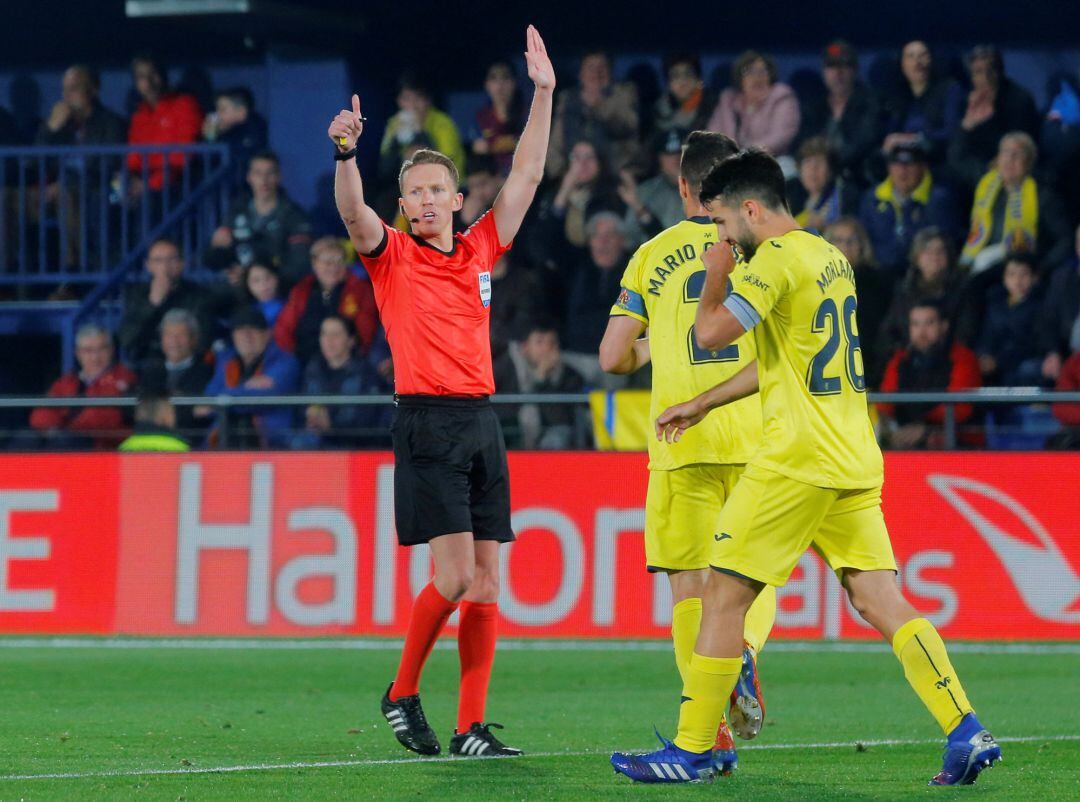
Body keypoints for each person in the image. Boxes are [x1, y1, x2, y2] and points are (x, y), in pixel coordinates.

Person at [612, 149, 1000, 785]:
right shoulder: (830, 257)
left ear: (752, 209)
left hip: (796, 458)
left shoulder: (771, 263)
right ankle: (965, 727)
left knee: (722, 596)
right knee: (878, 597)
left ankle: (692, 750)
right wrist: (703, 401)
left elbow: (709, 333)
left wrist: (715, 275)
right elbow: (780, 365)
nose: (720, 238)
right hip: (853, 453)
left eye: (722, 225)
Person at [328, 25, 554, 759]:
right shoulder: (389, 255)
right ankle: (399, 690)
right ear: (404, 206)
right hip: (426, 422)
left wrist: (545, 93)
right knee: (454, 575)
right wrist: (346, 154)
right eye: (412, 193)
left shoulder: (482, 245)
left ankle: (469, 729)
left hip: (481, 422)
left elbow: (523, 176)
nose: (423, 201)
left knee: (487, 584)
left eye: (434, 190)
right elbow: (352, 212)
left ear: (457, 199)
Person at [598, 131, 778, 773]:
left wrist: (659, 347)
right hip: (757, 438)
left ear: (682, 188)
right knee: (752, 577)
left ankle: (710, 736)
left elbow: (613, 356)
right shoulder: (761, 247)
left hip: (682, 442)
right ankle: (745, 650)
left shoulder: (650, 255)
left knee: (689, 589)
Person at [960, 132, 1071, 275]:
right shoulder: (986, 183)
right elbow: (958, 157)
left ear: (1029, 162)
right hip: (978, 259)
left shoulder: (1043, 196)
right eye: (1005, 153)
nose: (1009, 160)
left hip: (1019, 267)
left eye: (1017, 154)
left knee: (984, 260)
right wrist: (966, 128)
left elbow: (1065, 239)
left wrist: (1041, 268)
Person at [879, 300, 982, 448]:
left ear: (944, 326)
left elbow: (960, 409)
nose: (922, 332)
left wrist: (924, 429)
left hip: (959, 443)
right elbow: (885, 403)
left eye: (929, 323)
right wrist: (889, 430)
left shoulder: (963, 358)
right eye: (915, 324)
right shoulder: (899, 359)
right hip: (906, 439)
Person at [207, 151, 313, 287]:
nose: (264, 180)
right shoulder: (236, 211)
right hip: (239, 290)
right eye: (258, 173)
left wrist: (255, 277)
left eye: (270, 173)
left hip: (277, 290)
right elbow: (211, 260)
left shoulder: (294, 216)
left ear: (279, 177)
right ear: (249, 177)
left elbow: (299, 266)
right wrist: (217, 248)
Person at [200, 307, 299, 449]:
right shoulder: (226, 360)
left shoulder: (285, 361)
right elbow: (208, 399)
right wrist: (246, 387)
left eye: (253, 330)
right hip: (223, 442)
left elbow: (264, 398)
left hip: (270, 445)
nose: (246, 336)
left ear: (267, 334)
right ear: (233, 336)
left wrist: (224, 401)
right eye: (240, 330)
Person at [118, 238, 228, 363]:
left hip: (191, 364)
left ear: (182, 264)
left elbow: (201, 338)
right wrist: (153, 303)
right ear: (148, 266)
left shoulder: (200, 294)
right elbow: (127, 340)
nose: (165, 266)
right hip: (150, 363)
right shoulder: (137, 294)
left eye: (172, 259)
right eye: (158, 260)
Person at [859, 141, 960, 276]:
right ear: (889, 167)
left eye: (910, 164)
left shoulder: (938, 200)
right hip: (879, 274)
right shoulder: (872, 199)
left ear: (923, 167)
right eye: (897, 164)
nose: (903, 171)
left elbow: (945, 244)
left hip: (921, 276)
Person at [273, 236, 379, 364]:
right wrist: (294, 354)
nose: (333, 267)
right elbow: (284, 328)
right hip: (303, 359)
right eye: (327, 262)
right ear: (314, 264)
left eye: (339, 261)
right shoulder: (302, 289)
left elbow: (365, 331)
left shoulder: (361, 289)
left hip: (345, 361)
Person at [29, 324, 136, 450]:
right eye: (88, 350)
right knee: (24, 441)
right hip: (65, 439)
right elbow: (40, 415)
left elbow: (105, 420)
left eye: (102, 349)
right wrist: (55, 430)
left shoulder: (124, 378)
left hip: (103, 447)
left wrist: (68, 428)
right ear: (78, 353)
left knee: (66, 442)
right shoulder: (67, 381)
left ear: (111, 350)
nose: (95, 357)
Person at [948, 46, 1040, 191]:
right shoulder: (964, 102)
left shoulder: (1020, 99)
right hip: (979, 171)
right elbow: (957, 154)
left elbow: (1025, 144)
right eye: (978, 72)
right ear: (971, 77)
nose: (986, 77)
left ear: (1000, 71)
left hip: (1014, 166)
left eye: (991, 69)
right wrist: (967, 125)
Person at [878, 227, 973, 361]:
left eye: (940, 251)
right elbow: (890, 330)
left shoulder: (962, 289)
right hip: (909, 360)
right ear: (916, 257)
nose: (934, 256)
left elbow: (965, 331)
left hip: (949, 360)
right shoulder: (903, 290)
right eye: (927, 250)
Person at [295, 315, 390, 449]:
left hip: (355, 452)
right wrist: (309, 416)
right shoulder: (312, 369)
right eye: (324, 334)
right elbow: (299, 407)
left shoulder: (367, 374)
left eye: (336, 335)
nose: (328, 341)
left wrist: (332, 425)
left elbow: (369, 422)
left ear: (351, 340)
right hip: (314, 448)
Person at [795, 41, 881, 183]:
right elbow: (802, 143)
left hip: (855, 174)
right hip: (816, 176)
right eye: (831, 66)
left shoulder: (870, 102)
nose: (838, 73)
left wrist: (830, 163)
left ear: (855, 70)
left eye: (844, 65)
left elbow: (864, 142)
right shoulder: (815, 106)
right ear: (824, 72)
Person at [493, 318, 585, 449]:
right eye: (539, 342)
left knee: (558, 437)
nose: (546, 349)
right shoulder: (505, 367)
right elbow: (501, 410)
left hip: (547, 439)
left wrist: (542, 380)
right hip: (512, 433)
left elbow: (560, 421)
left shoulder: (570, 375)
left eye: (552, 343)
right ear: (525, 347)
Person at [823, 217, 894, 386]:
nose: (845, 246)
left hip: (866, 367)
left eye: (851, 240)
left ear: (862, 245)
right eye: (838, 240)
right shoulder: (813, 280)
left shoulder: (878, 283)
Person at [546, 49, 639, 177]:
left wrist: (599, 104)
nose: (596, 73)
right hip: (574, 174)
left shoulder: (623, 94)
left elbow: (628, 125)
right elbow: (556, 142)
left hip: (614, 174)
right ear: (581, 73)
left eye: (602, 67)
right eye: (591, 67)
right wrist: (561, 175)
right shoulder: (567, 99)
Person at [126, 54, 203, 195]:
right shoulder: (139, 115)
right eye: (141, 77)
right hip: (143, 184)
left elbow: (183, 156)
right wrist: (128, 179)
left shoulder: (184, 104)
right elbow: (133, 156)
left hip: (176, 184)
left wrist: (150, 184)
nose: (148, 82)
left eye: (153, 74)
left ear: (163, 75)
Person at [879, 41, 964, 165]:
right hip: (900, 163)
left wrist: (917, 139)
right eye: (911, 56)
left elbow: (952, 132)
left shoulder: (949, 89)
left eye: (923, 55)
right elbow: (888, 133)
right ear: (902, 64)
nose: (917, 63)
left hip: (937, 161)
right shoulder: (895, 96)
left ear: (932, 60)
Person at [708, 51, 800, 161]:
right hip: (731, 163)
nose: (757, 78)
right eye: (750, 72)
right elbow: (713, 137)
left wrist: (747, 154)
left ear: (770, 76)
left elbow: (780, 137)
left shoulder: (782, 97)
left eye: (762, 71)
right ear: (740, 79)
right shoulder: (729, 100)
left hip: (773, 161)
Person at [561, 212, 631, 355]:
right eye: (596, 235)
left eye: (610, 235)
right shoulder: (577, 267)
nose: (602, 242)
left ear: (622, 240)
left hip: (617, 357)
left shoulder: (635, 271)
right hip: (575, 354)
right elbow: (543, 246)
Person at [137, 308, 215, 434]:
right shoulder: (151, 372)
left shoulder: (207, 372)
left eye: (181, 335)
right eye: (169, 335)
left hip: (192, 445)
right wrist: (189, 411)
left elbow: (205, 413)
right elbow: (139, 411)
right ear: (162, 339)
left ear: (194, 338)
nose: (174, 341)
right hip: (152, 443)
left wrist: (161, 408)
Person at [379, 73, 466, 184]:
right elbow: (384, 169)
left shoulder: (443, 122)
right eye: (407, 99)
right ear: (399, 101)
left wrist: (420, 132)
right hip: (410, 186)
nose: (413, 105)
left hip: (447, 184)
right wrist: (396, 140)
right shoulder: (395, 123)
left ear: (428, 100)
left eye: (418, 98)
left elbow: (444, 164)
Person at [975, 252, 1044, 386]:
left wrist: (998, 361)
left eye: (1024, 274)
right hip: (992, 363)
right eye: (1011, 274)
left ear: (1035, 277)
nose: (1017, 281)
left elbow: (1033, 343)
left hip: (1019, 363)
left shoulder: (1041, 305)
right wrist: (984, 355)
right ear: (1004, 278)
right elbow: (986, 335)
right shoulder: (995, 303)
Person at [618, 128, 687, 237]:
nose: (676, 159)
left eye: (680, 153)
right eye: (669, 155)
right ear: (659, 158)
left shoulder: (706, 189)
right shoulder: (645, 191)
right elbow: (628, 238)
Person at [1037, 223, 1080, 384]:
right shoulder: (1062, 279)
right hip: (1068, 357)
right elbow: (1047, 322)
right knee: (1030, 371)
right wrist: (1052, 352)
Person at [786, 137, 859, 231]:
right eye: (808, 162)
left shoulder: (844, 196)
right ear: (799, 169)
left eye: (819, 162)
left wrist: (825, 227)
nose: (813, 169)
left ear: (831, 170)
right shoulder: (790, 196)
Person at [470, 60, 525, 175]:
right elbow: (478, 149)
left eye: (505, 78)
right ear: (487, 85)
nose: (500, 85)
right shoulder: (480, 118)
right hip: (491, 181)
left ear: (514, 83)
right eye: (494, 78)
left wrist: (491, 146)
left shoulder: (528, 114)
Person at [201, 86, 268, 178]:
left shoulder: (255, 129)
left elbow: (237, 160)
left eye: (222, 109)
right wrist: (210, 137)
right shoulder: (224, 131)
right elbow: (205, 160)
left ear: (241, 112)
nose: (217, 115)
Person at [652, 54, 716, 137]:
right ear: (668, 83)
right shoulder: (659, 111)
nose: (682, 82)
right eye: (675, 76)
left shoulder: (713, 108)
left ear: (698, 79)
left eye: (688, 75)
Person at [118, 393, 190, 452]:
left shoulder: (125, 447)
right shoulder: (180, 448)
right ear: (165, 414)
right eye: (172, 412)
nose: (174, 416)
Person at [244, 261, 285, 327]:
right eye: (256, 280)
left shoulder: (292, 304)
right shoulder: (245, 313)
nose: (263, 284)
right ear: (247, 285)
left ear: (277, 278)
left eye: (268, 277)